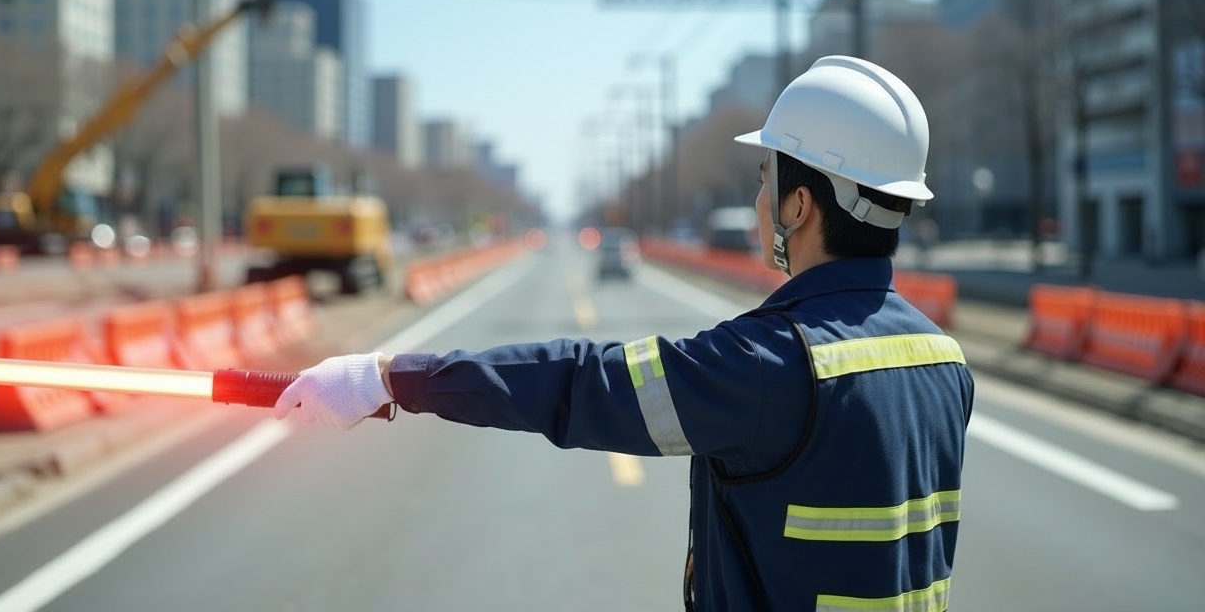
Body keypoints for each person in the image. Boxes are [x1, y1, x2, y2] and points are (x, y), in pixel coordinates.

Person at [275, 55, 975, 611]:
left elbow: (580, 384)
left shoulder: (771, 365)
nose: (758, 201)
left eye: (765, 180)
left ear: (798, 204)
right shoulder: (944, 358)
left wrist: (389, 378)